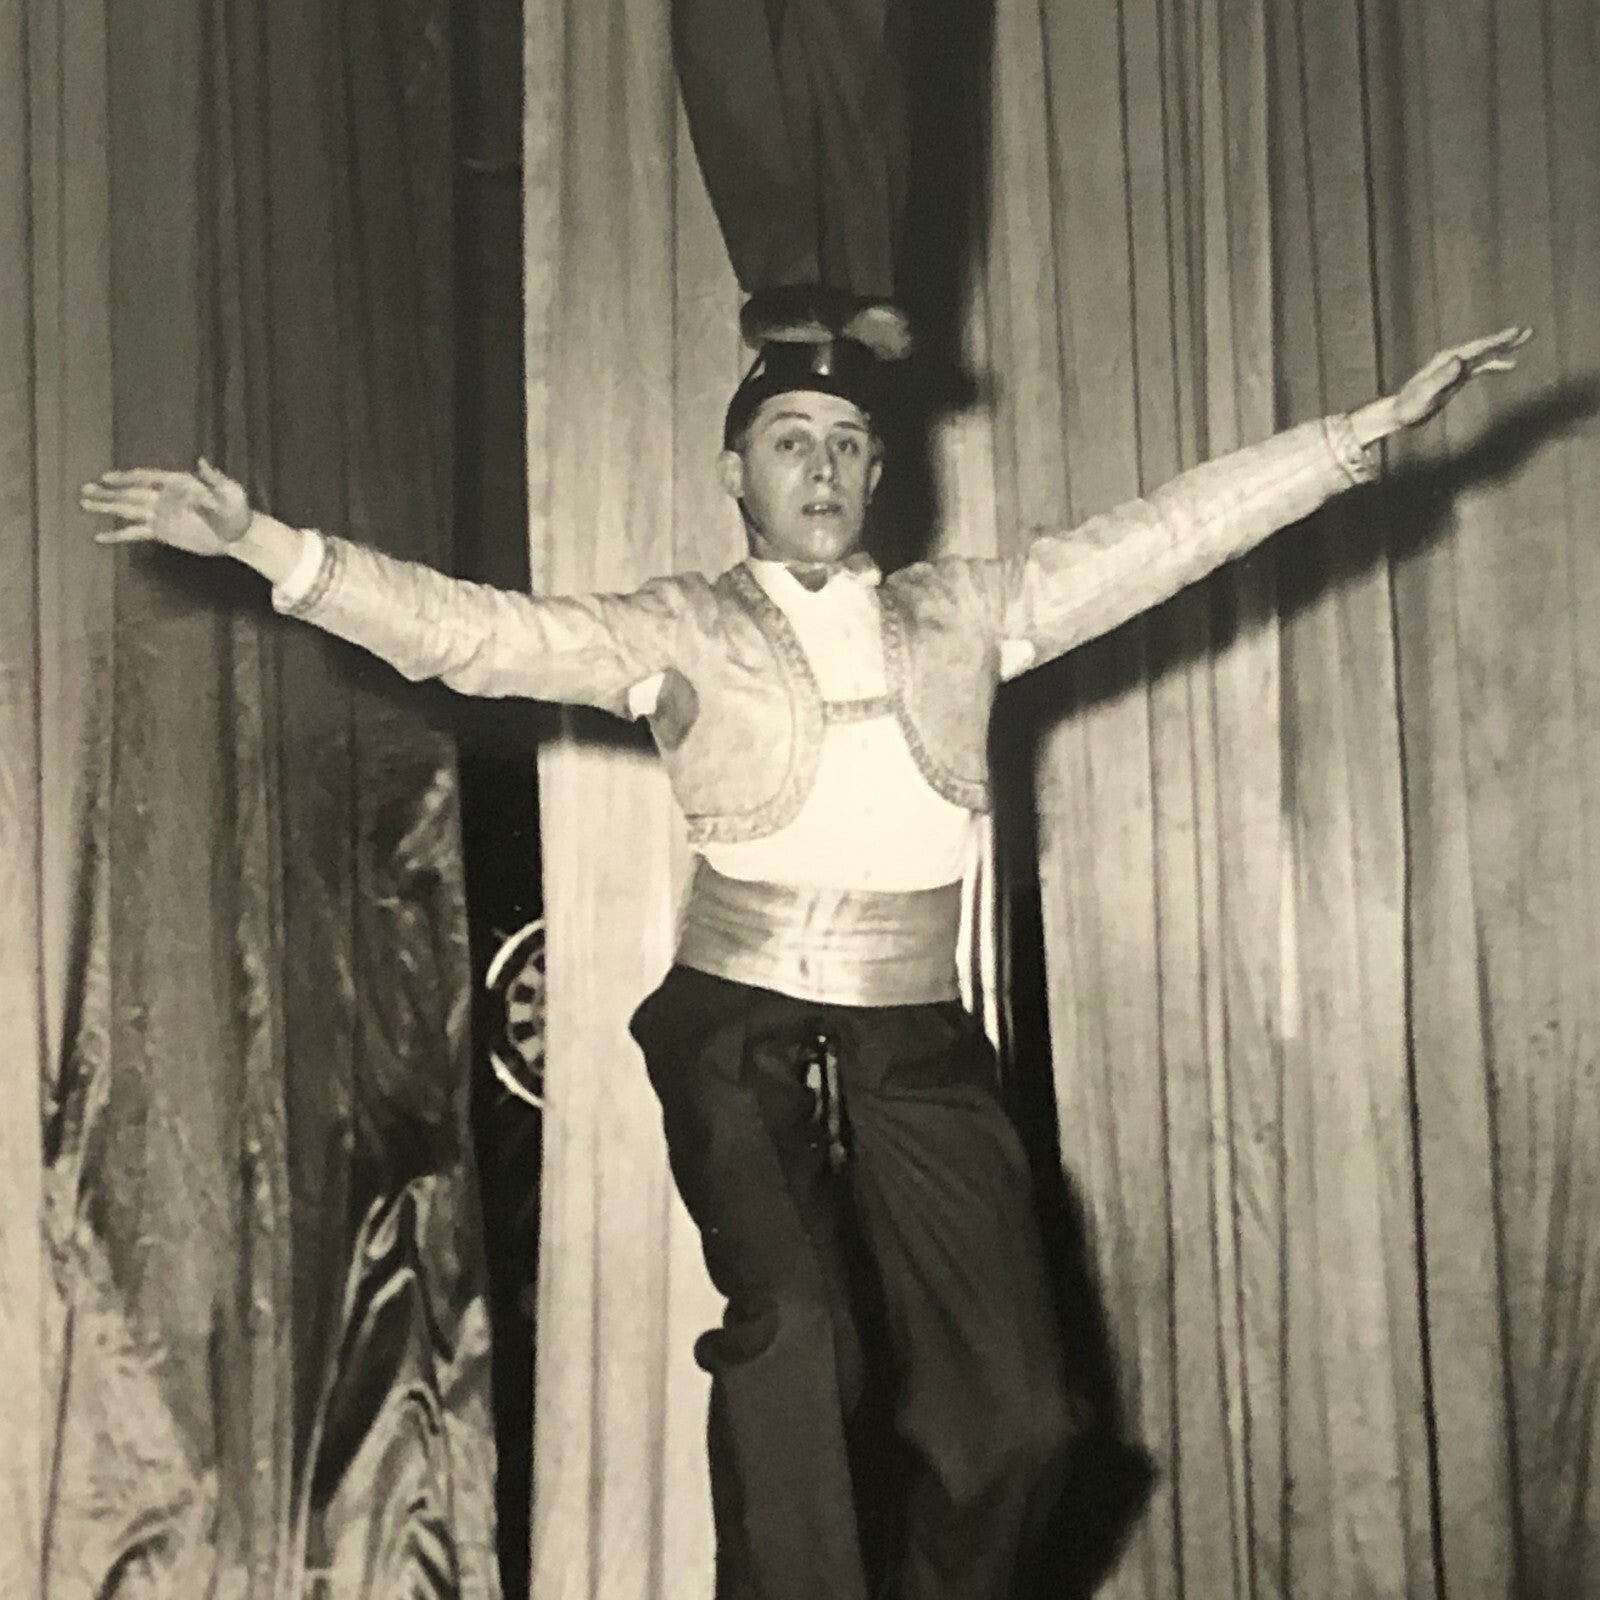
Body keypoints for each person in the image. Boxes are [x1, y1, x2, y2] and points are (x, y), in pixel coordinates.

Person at [82, 321, 1530, 1600]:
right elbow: (478, 638)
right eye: (791, 441)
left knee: (1026, 1423)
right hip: (738, 1025)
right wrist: (271, 547)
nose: (824, 469)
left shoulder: (970, 611)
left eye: (848, 443)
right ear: (738, 472)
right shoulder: (681, 626)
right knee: (800, 1344)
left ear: (877, 473)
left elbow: (1164, 538)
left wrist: (1352, 442)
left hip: (918, 1035)